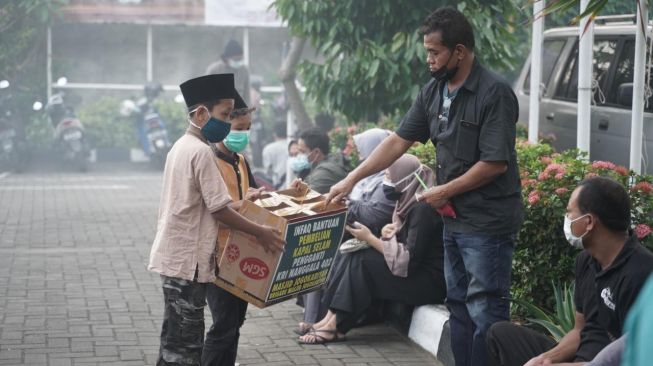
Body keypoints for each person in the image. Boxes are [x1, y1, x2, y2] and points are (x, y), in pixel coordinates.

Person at [325, 7, 522, 366]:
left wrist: (446, 190)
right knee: (459, 306)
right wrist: (350, 179)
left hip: (487, 222)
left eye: (435, 52)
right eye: (427, 52)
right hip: (453, 220)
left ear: (459, 52)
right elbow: (397, 141)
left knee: (486, 310)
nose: (428, 60)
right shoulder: (433, 92)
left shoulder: (494, 93)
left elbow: (495, 163)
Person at [148, 74, 284, 366]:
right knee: (186, 344)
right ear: (200, 114)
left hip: (176, 257)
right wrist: (261, 232)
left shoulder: (180, 146)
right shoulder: (201, 152)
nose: (225, 123)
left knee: (175, 338)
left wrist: (249, 202)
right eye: (224, 115)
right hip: (189, 260)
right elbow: (219, 210)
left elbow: (210, 204)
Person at [486, 176, 653, 366]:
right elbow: (579, 330)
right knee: (500, 334)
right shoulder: (586, 260)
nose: (566, 220)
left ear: (588, 221)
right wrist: (547, 359)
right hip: (579, 358)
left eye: (569, 213)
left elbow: (632, 355)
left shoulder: (641, 273)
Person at [298, 154, 446, 344]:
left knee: (363, 261)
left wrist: (370, 238)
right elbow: (405, 240)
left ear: (406, 179)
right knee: (351, 253)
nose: (386, 181)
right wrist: (389, 232)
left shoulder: (423, 209)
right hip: (414, 273)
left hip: (429, 283)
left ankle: (337, 326)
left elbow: (408, 260)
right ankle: (328, 319)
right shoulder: (408, 200)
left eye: (390, 176)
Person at [295, 128, 395, 335]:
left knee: (325, 254)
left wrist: (348, 204)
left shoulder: (387, 179)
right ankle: (317, 318)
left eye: (361, 150)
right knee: (314, 251)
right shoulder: (364, 177)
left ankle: (323, 320)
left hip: (368, 236)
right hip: (351, 232)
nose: (359, 155)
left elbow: (374, 215)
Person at [202, 91, 261, 366]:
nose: (244, 134)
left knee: (235, 322)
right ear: (225, 125)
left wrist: (289, 193)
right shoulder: (209, 160)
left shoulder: (240, 160)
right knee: (223, 325)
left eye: (248, 128)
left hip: (242, 251)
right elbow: (213, 209)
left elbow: (256, 196)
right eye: (239, 128)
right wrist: (244, 203)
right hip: (218, 254)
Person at [293, 127, 350, 328]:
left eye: (301, 151)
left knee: (309, 255)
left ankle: (311, 320)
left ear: (315, 152)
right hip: (330, 227)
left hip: (339, 232)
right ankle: (310, 315)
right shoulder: (321, 167)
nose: (298, 155)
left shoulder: (326, 171)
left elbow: (306, 203)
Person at [206, 39, 250, 104]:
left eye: (240, 59)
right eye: (236, 59)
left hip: (238, 111)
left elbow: (247, 96)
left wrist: (248, 112)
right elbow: (206, 94)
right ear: (226, 59)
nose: (239, 62)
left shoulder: (244, 70)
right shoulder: (214, 70)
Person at [262, 121, 289, 188]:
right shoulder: (296, 146)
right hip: (296, 185)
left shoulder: (268, 149)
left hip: (277, 187)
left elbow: (268, 172)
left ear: (274, 134)